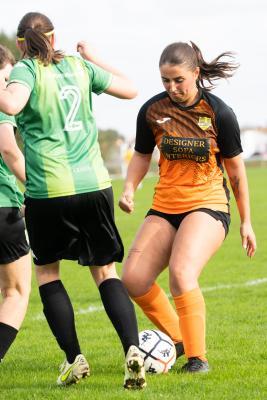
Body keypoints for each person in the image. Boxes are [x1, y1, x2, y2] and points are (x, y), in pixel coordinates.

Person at [0, 12, 146, 389]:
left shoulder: (25, 71)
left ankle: (74, 358)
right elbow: (132, 89)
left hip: (48, 190)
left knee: (49, 273)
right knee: (105, 272)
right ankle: (132, 348)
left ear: (21, 44)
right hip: (95, 185)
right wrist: (94, 56)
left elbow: (12, 106)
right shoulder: (81, 68)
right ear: (54, 36)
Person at [119, 41, 257, 373]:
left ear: (195, 73)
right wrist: (128, 188)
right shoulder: (152, 111)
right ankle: (179, 339)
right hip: (165, 205)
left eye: (178, 80)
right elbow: (141, 155)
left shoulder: (218, 112)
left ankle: (198, 359)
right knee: (133, 278)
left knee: (182, 273)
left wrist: (246, 222)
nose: (172, 87)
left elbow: (236, 171)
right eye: (166, 81)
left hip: (208, 204)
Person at [0, 45, 31, 363]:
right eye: (8, 76)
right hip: (3, 208)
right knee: (16, 292)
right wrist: (33, 188)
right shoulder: (2, 106)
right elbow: (8, 150)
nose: (11, 85)